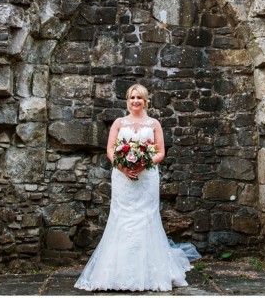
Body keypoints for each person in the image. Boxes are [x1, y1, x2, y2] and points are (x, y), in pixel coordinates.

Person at [74, 83, 192, 291]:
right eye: (132, 98)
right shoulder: (119, 123)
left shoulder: (154, 123)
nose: (135, 101)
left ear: (145, 101)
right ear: (127, 101)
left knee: (146, 217)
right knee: (122, 218)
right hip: (123, 178)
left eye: (139, 98)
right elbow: (111, 150)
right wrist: (123, 167)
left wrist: (143, 164)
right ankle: (116, 272)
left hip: (146, 178)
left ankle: (150, 273)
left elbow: (160, 152)